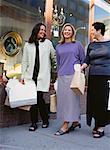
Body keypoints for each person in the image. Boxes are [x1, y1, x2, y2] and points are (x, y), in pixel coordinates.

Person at [21, 23, 56, 131]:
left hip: (43, 76)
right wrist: (22, 76)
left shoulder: (48, 43)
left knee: (39, 98)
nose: (43, 32)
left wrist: (55, 72)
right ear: (36, 30)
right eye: (41, 29)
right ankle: (35, 122)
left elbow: (54, 58)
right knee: (34, 100)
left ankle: (43, 120)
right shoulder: (28, 45)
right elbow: (24, 61)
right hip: (30, 77)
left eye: (44, 30)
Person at [55, 23, 85, 136]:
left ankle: (65, 125)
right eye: (65, 30)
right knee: (63, 100)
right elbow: (58, 63)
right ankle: (75, 121)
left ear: (73, 32)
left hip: (74, 75)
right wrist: (57, 76)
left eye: (69, 30)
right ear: (62, 32)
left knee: (72, 100)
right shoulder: (58, 46)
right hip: (62, 75)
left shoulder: (77, 44)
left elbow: (83, 60)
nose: (67, 32)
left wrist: (80, 70)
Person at [81, 22, 110, 138]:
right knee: (94, 101)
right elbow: (87, 60)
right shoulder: (91, 45)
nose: (91, 31)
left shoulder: (109, 43)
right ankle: (97, 123)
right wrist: (79, 68)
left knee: (103, 101)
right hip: (93, 76)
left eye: (93, 30)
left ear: (99, 30)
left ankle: (101, 126)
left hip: (106, 76)